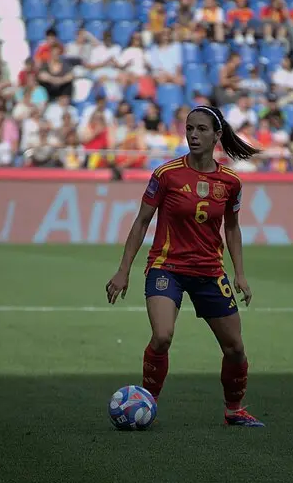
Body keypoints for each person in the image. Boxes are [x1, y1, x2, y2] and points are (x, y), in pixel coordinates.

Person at [105, 105, 264, 427]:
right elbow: (141, 223)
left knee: (235, 348)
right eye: (189, 128)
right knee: (162, 336)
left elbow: (232, 228)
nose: (193, 134)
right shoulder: (167, 175)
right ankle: (147, 402)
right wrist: (123, 270)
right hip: (167, 267)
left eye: (201, 129)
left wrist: (240, 275)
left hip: (209, 271)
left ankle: (234, 410)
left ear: (217, 135)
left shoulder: (230, 182)